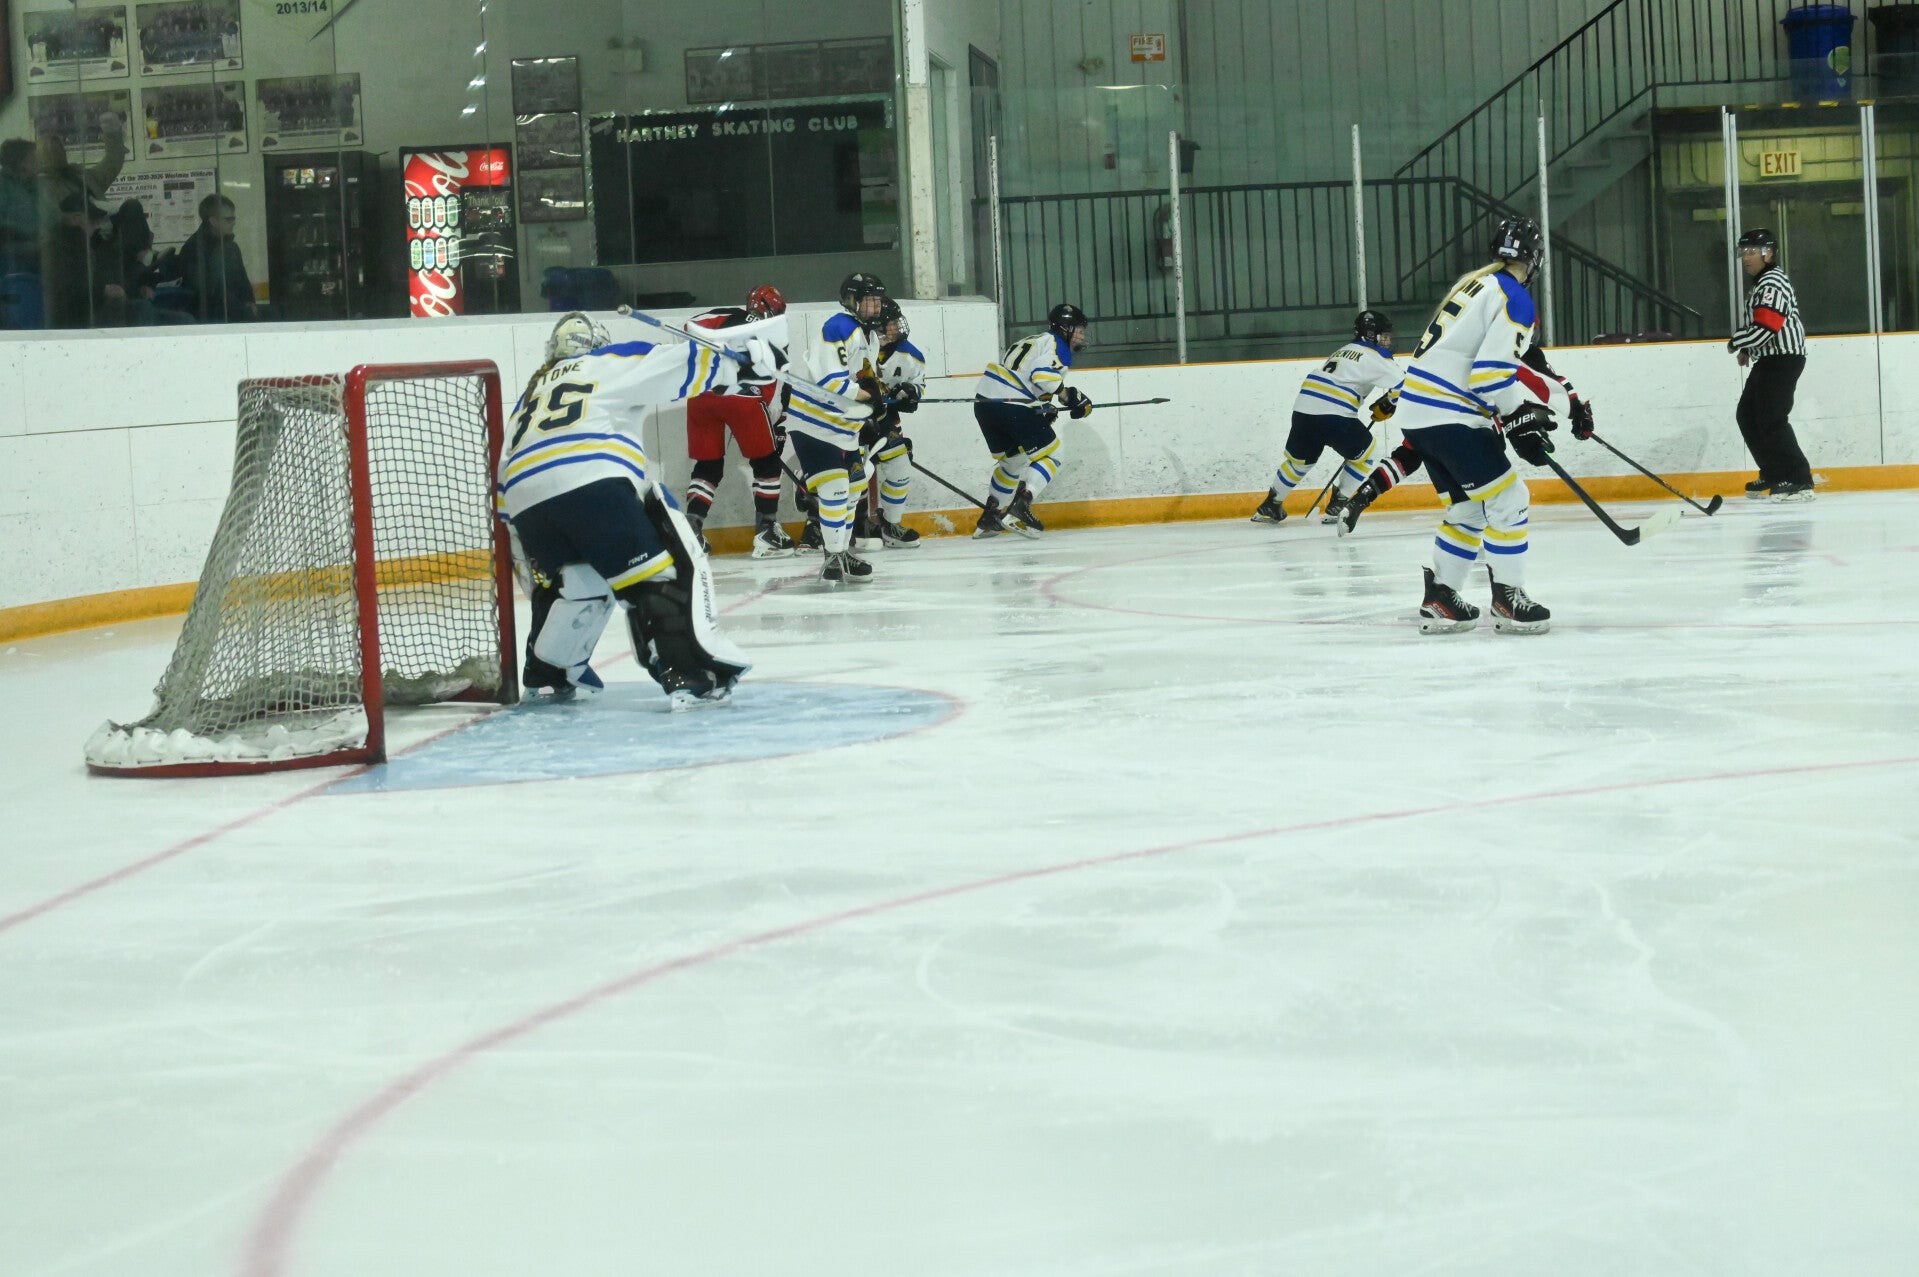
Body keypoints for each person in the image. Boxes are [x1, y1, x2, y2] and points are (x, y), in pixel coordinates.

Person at [499, 311, 776, 707]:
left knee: (574, 585)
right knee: (660, 574)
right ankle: (691, 675)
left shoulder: (530, 395)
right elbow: (677, 364)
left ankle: (548, 675)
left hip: (526, 503)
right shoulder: (604, 362)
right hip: (593, 485)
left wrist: (520, 538)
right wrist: (742, 361)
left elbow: (503, 476)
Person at [1353, 217, 1558, 635]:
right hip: (1451, 413)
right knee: (1510, 499)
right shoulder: (1514, 297)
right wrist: (1518, 417)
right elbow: (1490, 374)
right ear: (1535, 259)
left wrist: (1516, 418)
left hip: (1418, 414)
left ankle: (1442, 597)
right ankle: (1508, 598)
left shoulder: (1473, 285)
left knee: (1467, 508)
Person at [1252, 309, 1402, 526]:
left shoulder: (1343, 351)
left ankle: (1270, 505)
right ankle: (1338, 504)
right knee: (1368, 454)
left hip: (1303, 411)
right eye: (1384, 336)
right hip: (1334, 414)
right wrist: (1388, 404)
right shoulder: (1376, 357)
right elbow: (1404, 385)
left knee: (1300, 462)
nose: (1388, 341)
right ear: (1372, 336)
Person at [681, 284, 796, 558]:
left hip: (702, 394)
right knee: (766, 464)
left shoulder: (726, 315)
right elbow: (774, 390)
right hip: (743, 397)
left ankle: (691, 531)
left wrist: (717, 345)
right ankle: (767, 533)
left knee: (708, 467)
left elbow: (689, 327)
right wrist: (776, 426)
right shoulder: (774, 336)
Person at [971, 302, 1092, 538]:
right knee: (1053, 454)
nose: (1082, 335)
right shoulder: (1058, 346)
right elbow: (1041, 376)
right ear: (1065, 328)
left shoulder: (1035, 341)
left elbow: (1024, 376)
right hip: (1011, 402)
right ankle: (1021, 505)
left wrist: (1041, 407)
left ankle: (990, 517)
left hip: (985, 404)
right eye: (1078, 330)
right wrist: (1069, 396)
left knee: (1013, 461)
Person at [1729, 228, 1812, 502]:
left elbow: (1767, 327)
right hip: (1772, 357)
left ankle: (1799, 479)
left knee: (1772, 419)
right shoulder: (1763, 282)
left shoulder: (1772, 283)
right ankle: (1775, 472)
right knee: (1747, 415)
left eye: (1752, 252)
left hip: (1783, 358)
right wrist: (1747, 348)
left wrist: (1737, 341)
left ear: (1768, 253)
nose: (1746, 258)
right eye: (1743, 252)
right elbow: (1762, 327)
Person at [852, 296, 924, 550]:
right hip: (853, 419)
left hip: (884, 419)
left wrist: (911, 392)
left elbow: (918, 387)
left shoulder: (910, 355)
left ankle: (890, 524)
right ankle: (842, 524)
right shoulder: (857, 346)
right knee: (854, 473)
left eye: (896, 321)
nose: (896, 327)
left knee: (900, 465)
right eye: (890, 323)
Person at [170, 193, 256, 321]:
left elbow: (242, 280)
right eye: (228, 219)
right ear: (213, 221)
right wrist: (243, 310)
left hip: (234, 308)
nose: (233, 223)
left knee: (273, 313)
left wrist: (249, 301)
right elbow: (205, 292)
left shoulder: (231, 247)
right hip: (210, 314)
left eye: (233, 219)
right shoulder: (194, 248)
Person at [0, 140, 41, 279]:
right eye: (34, 159)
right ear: (21, 163)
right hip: (14, 253)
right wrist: (25, 234)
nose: (38, 163)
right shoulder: (4, 185)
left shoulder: (32, 185)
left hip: (36, 247)